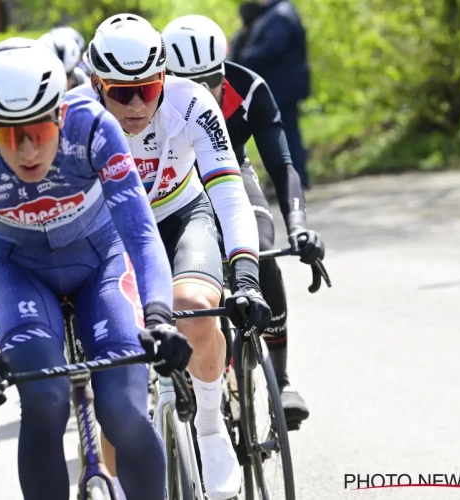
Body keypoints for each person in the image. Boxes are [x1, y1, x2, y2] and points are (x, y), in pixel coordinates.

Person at [0, 38, 193, 500]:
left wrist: (159, 316)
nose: (29, 149)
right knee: (45, 400)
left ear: (60, 114)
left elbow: (139, 233)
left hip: (101, 260)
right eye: (10, 136)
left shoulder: (93, 125)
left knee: (121, 409)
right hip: (17, 269)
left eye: (41, 130)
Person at [69, 14, 272, 500]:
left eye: (149, 87)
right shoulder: (72, 114)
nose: (137, 103)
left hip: (182, 214)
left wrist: (245, 270)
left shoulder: (192, 101)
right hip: (110, 232)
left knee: (195, 306)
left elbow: (227, 190)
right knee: (117, 389)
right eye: (121, 92)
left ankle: (208, 422)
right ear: (96, 83)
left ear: (165, 77)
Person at [163, 14, 326, 429]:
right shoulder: (151, 100)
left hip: (233, 176)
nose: (203, 95)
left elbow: (282, 164)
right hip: (178, 188)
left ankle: (282, 378)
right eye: (189, 84)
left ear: (224, 70)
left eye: (212, 82)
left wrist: (299, 226)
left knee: (259, 251)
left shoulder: (249, 87)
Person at [232, 0, 311, 188]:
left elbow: (273, 47)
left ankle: (293, 180)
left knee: (285, 134)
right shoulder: (273, 13)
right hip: (281, 86)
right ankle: (291, 179)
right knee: (284, 132)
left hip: (283, 87)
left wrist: (245, 59)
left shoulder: (280, 15)